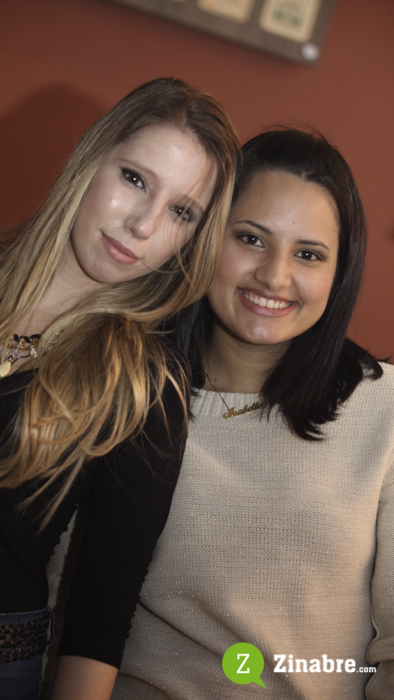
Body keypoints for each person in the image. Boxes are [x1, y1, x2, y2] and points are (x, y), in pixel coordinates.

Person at [0, 77, 241, 700]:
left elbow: (103, 604)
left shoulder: (148, 386)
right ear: (90, 160)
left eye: (181, 212)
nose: (143, 224)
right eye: (135, 179)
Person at [111, 129, 394, 699]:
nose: (274, 276)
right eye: (251, 239)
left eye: (308, 254)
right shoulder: (123, 390)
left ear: (339, 274)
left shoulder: (384, 410)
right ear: (205, 239)